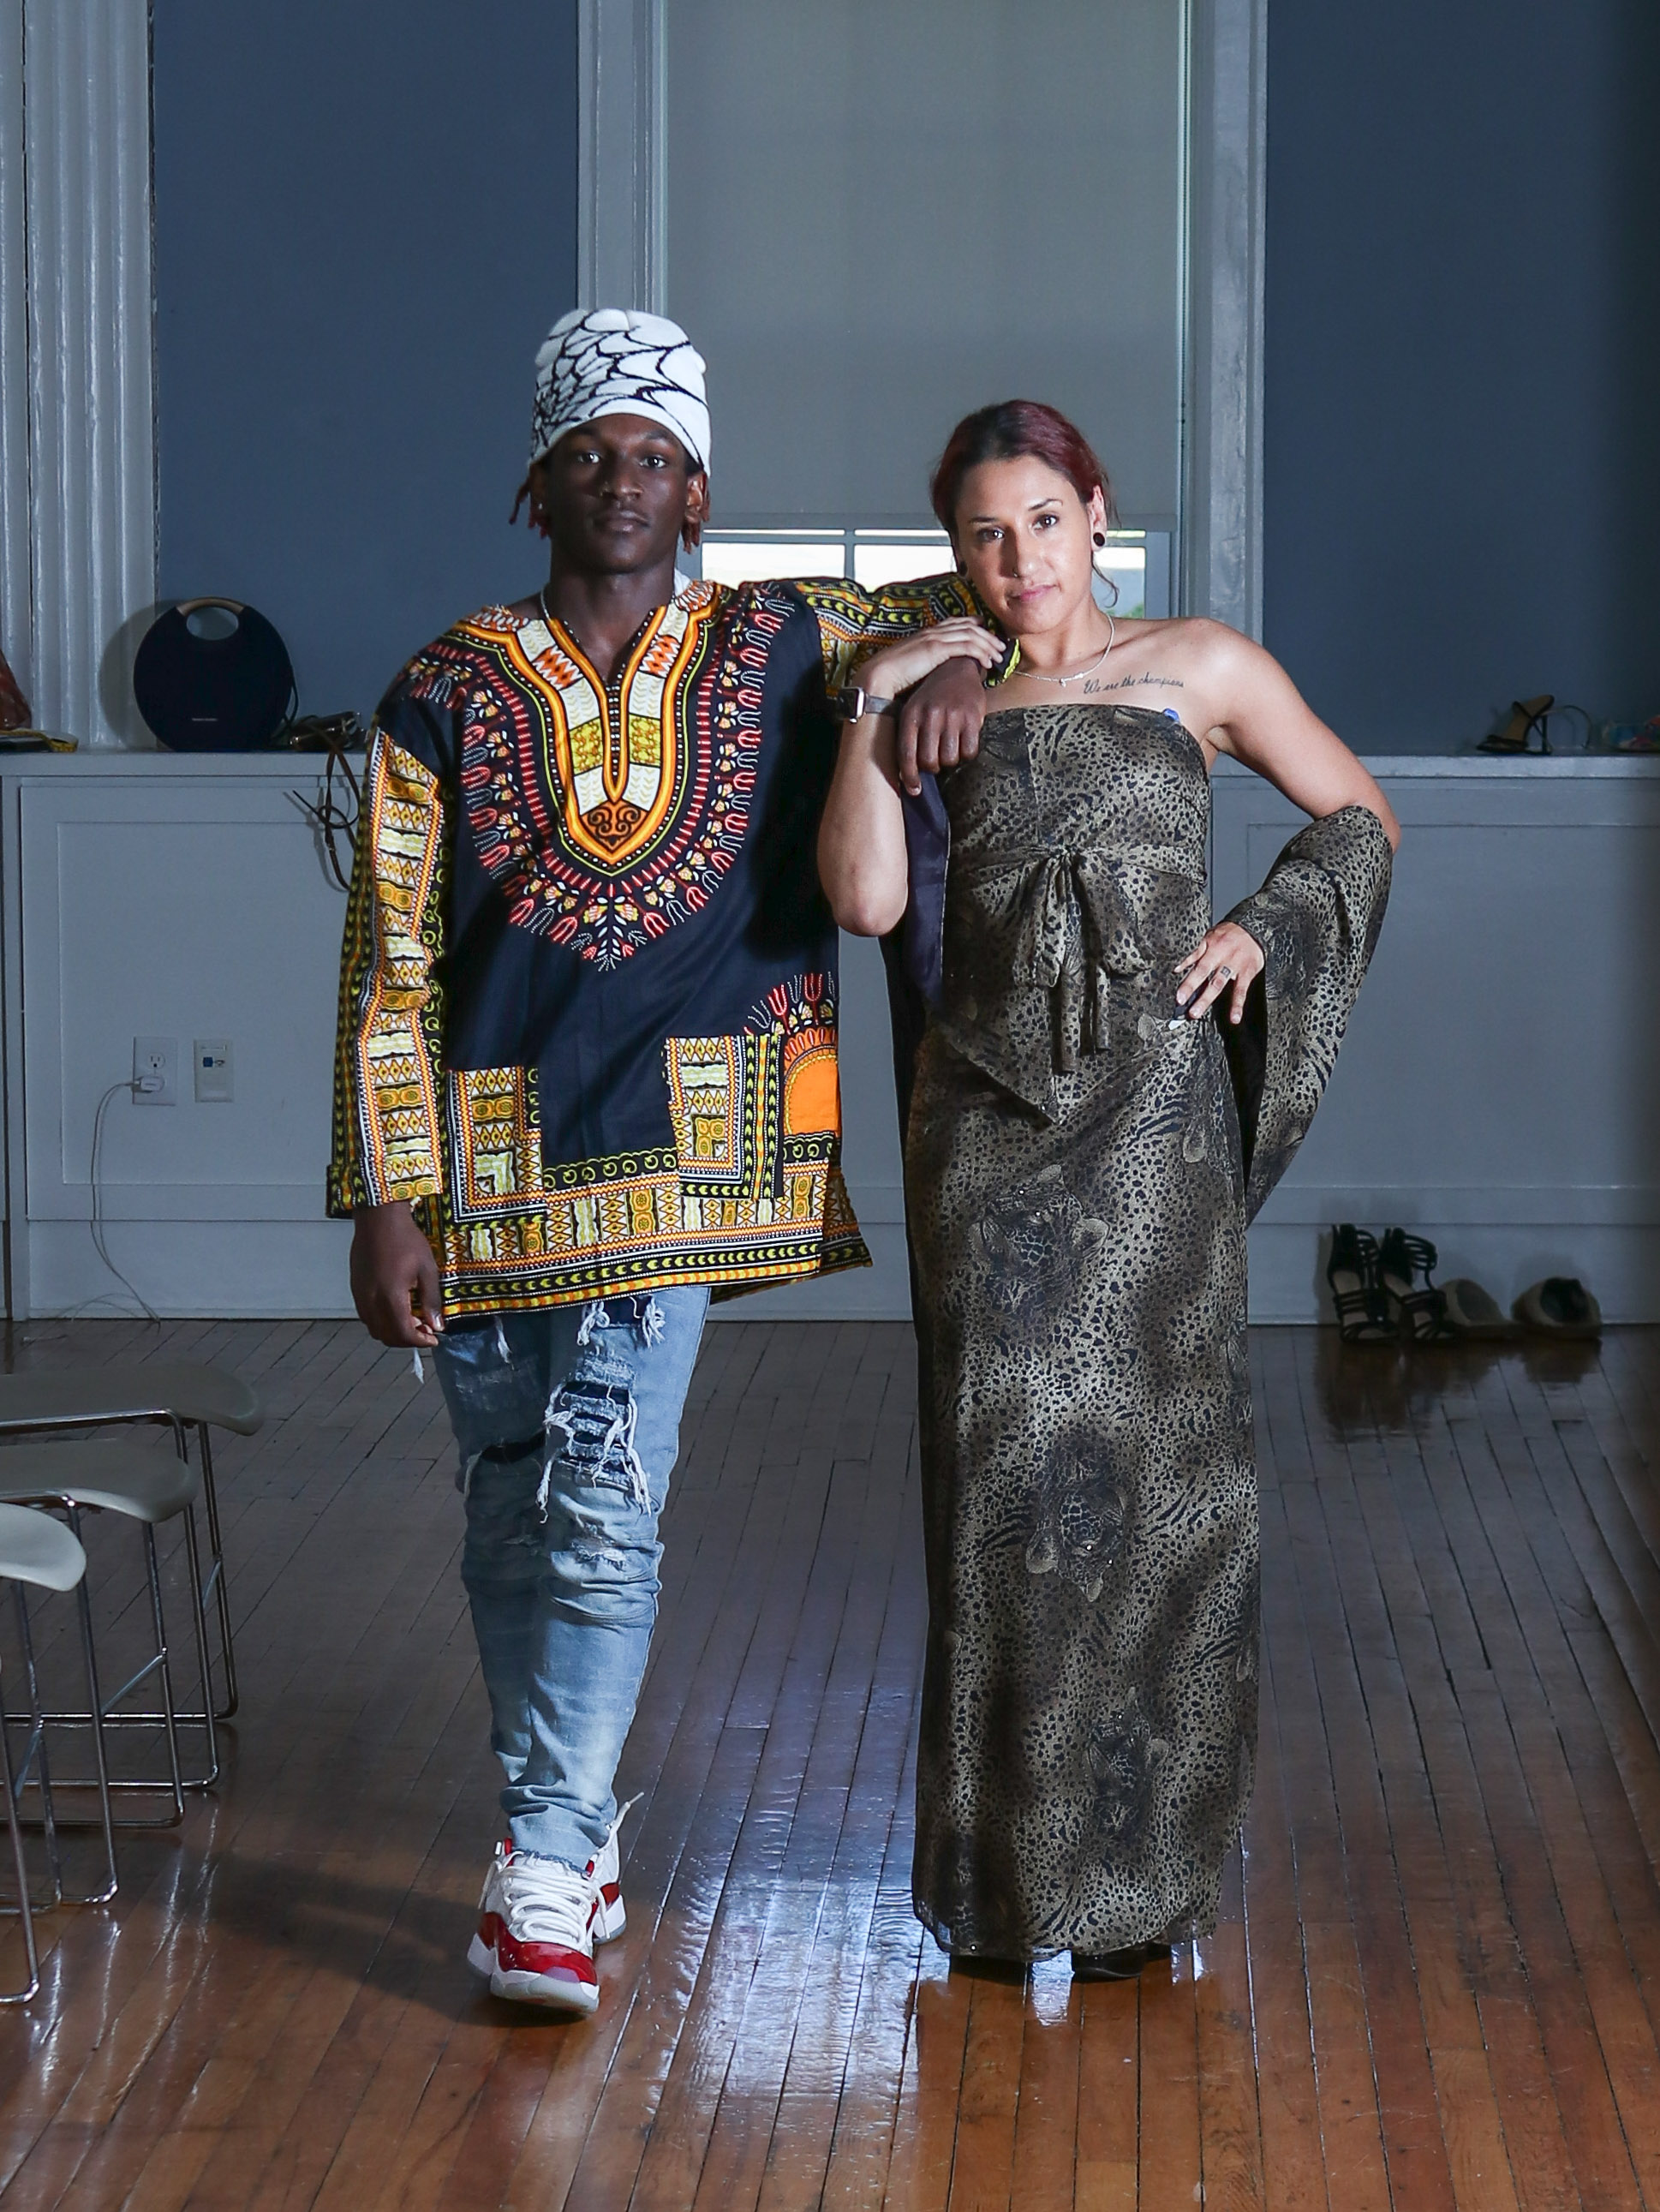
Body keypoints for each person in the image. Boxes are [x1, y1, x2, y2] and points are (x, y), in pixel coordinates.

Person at [328, 308, 991, 2016]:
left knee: (602, 1500)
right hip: (485, 1154)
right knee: (507, 1507)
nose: (621, 480)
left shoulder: (789, 637)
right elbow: (392, 957)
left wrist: (945, 667)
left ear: (700, 491)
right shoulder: (442, 688)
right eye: (588, 454)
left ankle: (548, 1861)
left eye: (655, 457)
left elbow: (1008, 588)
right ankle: (558, 1834)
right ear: (533, 485)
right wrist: (387, 1194)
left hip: (694, 1147)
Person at [817, 399, 1398, 1975]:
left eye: (1043, 521)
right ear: (956, 552)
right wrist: (874, 696)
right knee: (999, 1490)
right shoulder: (930, 696)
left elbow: (1361, 817)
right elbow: (865, 897)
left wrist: (1267, 923)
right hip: (987, 1132)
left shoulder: (1198, 665)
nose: (1020, 560)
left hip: (1153, 1134)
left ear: (1095, 510)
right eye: (983, 535)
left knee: (1162, 1494)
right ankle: (1006, 1889)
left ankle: (1142, 1890)